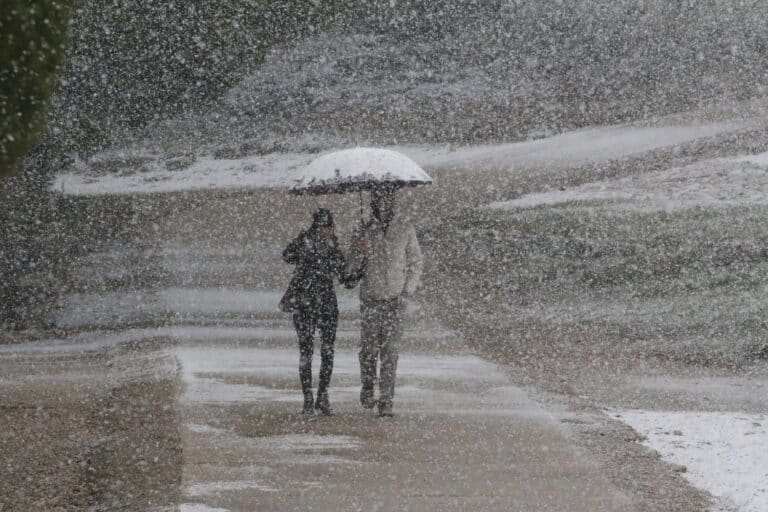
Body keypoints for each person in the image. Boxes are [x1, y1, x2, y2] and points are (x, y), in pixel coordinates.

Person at [347, 186, 423, 417]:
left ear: (393, 202)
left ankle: (386, 400)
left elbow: (416, 262)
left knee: (390, 352)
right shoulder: (362, 229)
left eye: (387, 198)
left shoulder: (404, 227)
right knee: (368, 350)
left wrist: (407, 291)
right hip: (370, 298)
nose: (382, 202)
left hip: (395, 300)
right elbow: (350, 267)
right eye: (378, 198)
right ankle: (368, 387)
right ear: (372, 202)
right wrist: (359, 251)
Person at [282, 208, 359, 415]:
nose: (325, 231)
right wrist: (300, 246)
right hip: (305, 303)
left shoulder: (334, 249)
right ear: (315, 227)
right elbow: (287, 256)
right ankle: (308, 398)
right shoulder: (304, 242)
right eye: (322, 227)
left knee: (327, 352)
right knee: (306, 352)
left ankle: (322, 396)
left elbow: (346, 280)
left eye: (328, 227)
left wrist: (361, 266)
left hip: (326, 304)